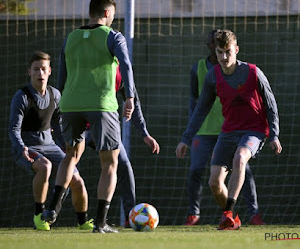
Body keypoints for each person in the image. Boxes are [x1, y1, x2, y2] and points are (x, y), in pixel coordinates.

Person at [42, 0, 135, 233]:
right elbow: (125, 65)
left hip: (70, 104)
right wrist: (130, 96)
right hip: (101, 105)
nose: (113, 18)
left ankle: (52, 208)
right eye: (113, 14)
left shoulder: (71, 37)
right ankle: (101, 223)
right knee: (110, 163)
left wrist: (61, 105)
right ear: (106, 12)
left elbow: (62, 75)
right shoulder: (114, 37)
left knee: (71, 155)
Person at [176, 29, 282, 230]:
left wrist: (274, 135)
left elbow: (271, 105)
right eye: (220, 53)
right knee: (214, 183)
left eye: (228, 52)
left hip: (254, 130)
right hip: (228, 132)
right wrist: (186, 139)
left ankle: (227, 213)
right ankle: (233, 219)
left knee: (241, 157)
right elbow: (200, 110)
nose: (224, 57)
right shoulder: (212, 76)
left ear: (237, 50)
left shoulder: (253, 72)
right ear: (215, 52)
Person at [8, 51, 93, 231]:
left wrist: (67, 146)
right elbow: (13, 129)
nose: (40, 73)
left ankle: (83, 221)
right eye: (36, 69)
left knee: (76, 179)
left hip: (50, 145)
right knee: (45, 166)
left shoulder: (55, 95)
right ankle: (40, 215)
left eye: (43, 69)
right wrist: (21, 147)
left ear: (49, 72)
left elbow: (58, 125)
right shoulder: (22, 96)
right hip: (26, 147)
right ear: (29, 72)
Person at [81, 65, 160, 228]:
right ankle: (50, 211)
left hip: (104, 128)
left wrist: (144, 134)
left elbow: (133, 101)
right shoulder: (84, 62)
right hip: (79, 127)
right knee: (68, 168)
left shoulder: (119, 70)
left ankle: (131, 216)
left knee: (123, 165)